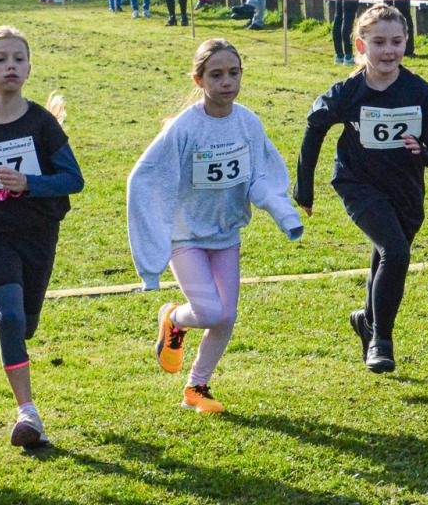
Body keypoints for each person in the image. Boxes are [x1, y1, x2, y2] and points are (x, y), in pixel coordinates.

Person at [127, 39, 303, 414]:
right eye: (217, 75)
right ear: (199, 79)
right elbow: (145, 177)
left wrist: (282, 212)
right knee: (207, 311)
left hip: (226, 235)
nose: (227, 82)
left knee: (227, 315)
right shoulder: (184, 128)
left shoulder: (248, 122)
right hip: (185, 235)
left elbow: (260, 175)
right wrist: (151, 249)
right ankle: (173, 319)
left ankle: (197, 387)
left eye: (234, 73)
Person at [296, 4, 428, 374]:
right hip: (358, 184)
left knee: (387, 254)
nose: (388, 50)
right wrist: (304, 187)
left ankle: (366, 320)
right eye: (378, 42)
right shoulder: (348, 91)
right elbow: (314, 127)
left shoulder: (419, 91)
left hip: (406, 190)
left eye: (396, 41)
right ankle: (381, 340)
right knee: (395, 252)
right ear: (361, 45)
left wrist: (425, 153)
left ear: (406, 43)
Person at [0, 27, 85, 447]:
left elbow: (73, 180)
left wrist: (29, 182)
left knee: (23, 325)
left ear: (28, 68)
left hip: (40, 232)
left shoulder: (41, 124)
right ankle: (28, 414)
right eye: (1, 59)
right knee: (13, 319)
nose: (10, 65)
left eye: (18, 59)